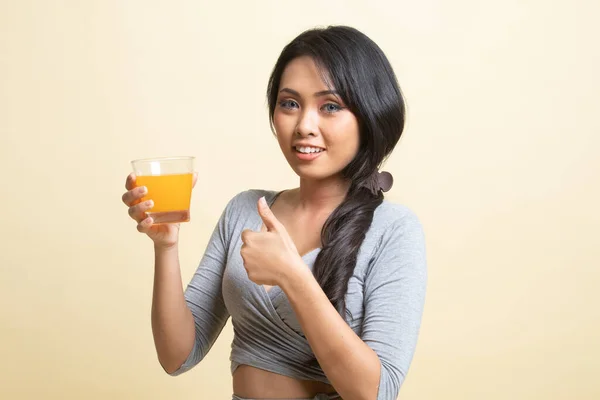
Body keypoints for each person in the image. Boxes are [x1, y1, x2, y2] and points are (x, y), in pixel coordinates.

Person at [121, 25, 427, 400]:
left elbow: (375, 393)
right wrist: (165, 247)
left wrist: (293, 277)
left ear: (370, 115)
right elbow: (177, 355)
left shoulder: (394, 230)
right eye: (290, 103)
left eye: (330, 106)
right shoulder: (245, 210)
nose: (304, 126)